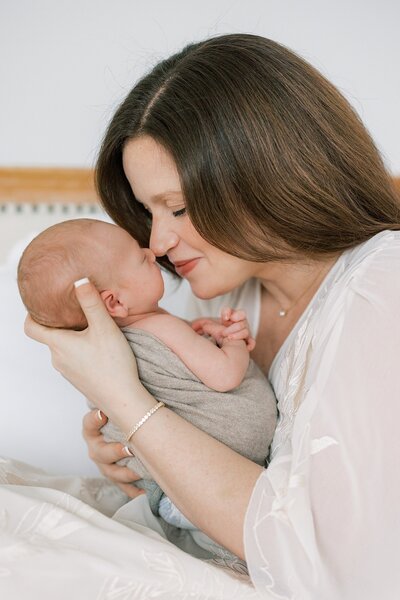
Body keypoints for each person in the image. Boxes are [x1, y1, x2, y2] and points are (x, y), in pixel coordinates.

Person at [24, 33, 400, 598]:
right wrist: (138, 457)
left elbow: (327, 560)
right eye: (148, 211)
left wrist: (128, 399)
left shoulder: (380, 288)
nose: (158, 239)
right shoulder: (218, 296)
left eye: (176, 207)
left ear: (268, 172)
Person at [17, 217, 277, 557]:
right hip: (218, 478)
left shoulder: (104, 351)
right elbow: (225, 376)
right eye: (140, 259)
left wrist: (200, 335)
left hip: (163, 492)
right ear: (114, 303)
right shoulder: (162, 327)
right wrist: (234, 343)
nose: (152, 252)